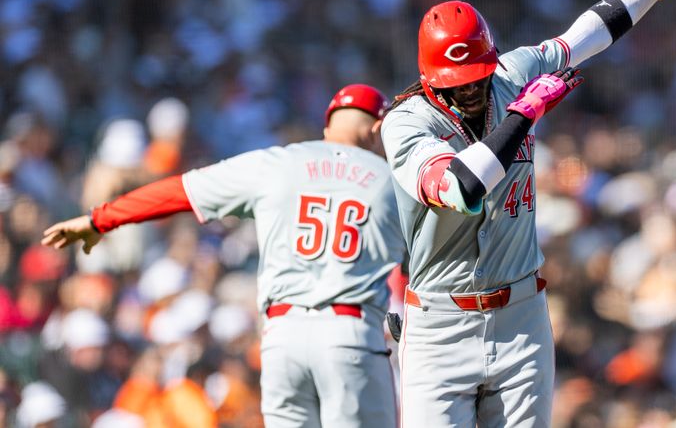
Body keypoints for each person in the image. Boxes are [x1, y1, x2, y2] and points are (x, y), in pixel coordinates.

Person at [381, 0, 676, 427]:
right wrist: (525, 113)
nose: (474, 90)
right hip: (440, 324)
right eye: (458, 85)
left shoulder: (507, 74)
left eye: (479, 75)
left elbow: (588, 33)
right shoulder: (407, 122)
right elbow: (463, 187)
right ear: (431, 82)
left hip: (521, 314)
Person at [42, 84, 405, 428]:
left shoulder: (276, 163)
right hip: (350, 332)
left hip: (281, 337)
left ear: (327, 127)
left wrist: (100, 218)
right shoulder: (391, 179)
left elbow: (179, 191)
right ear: (377, 129)